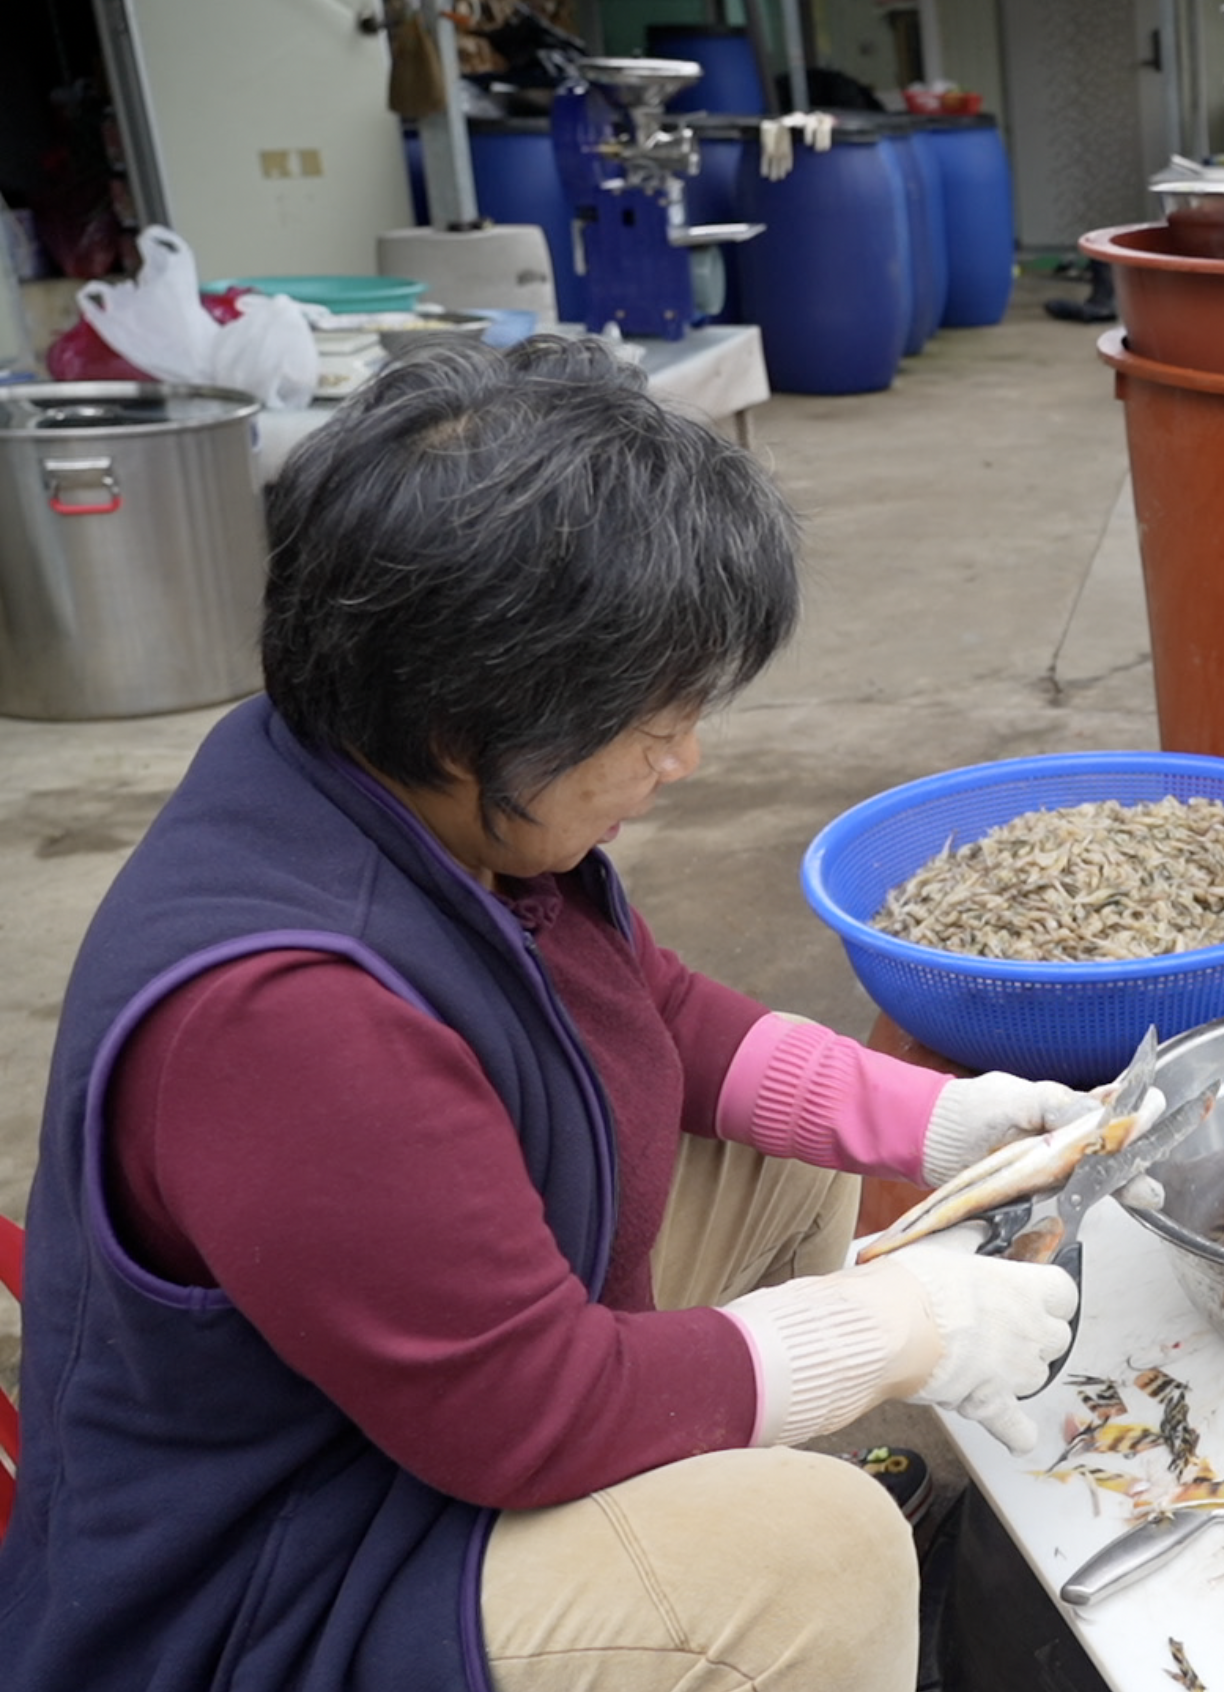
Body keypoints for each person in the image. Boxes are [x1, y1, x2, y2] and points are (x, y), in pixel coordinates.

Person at [0, 338, 1152, 1692]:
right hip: (278, 1582)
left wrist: (942, 1124)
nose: (686, 758)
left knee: (786, 1149)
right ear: (463, 712)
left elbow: (650, 1010)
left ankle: (686, 1527)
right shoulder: (288, 1018)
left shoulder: (397, 778)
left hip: (408, 1421)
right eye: (652, 717)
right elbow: (527, 1412)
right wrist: (900, 1329)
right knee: (822, 1558)